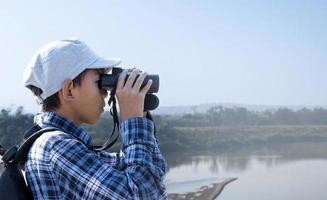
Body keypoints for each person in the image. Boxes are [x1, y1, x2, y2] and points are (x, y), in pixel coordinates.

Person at [23, 38, 167, 199]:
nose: (105, 92)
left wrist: (141, 114)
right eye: (99, 82)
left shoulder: (62, 144)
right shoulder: (57, 146)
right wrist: (133, 121)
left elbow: (147, 171)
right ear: (69, 90)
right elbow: (145, 195)